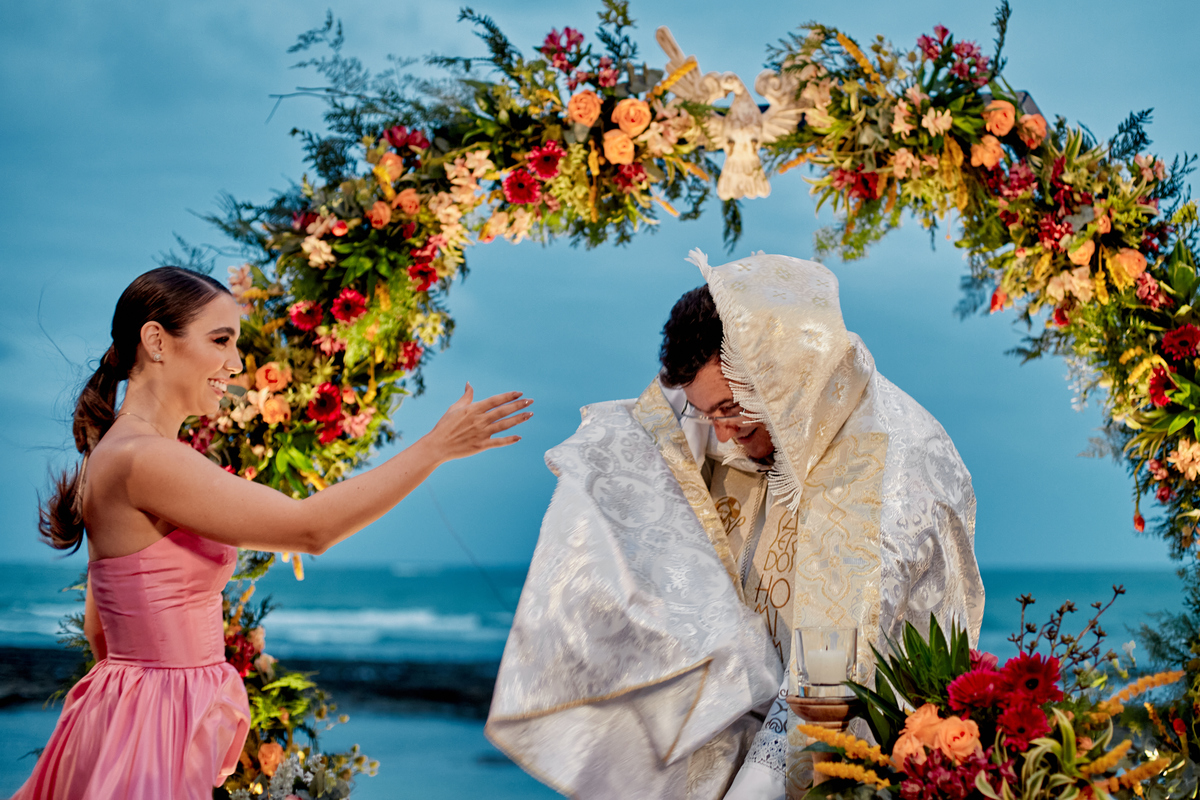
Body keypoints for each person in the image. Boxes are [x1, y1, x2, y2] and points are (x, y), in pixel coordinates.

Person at [13, 266, 533, 800]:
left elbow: (103, 629)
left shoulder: (118, 453)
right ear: (155, 341)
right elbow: (310, 529)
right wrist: (435, 448)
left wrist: (149, 700)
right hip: (153, 719)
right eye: (221, 340)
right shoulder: (145, 458)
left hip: (137, 710)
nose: (235, 364)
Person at [486, 250, 983, 799]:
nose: (722, 435)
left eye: (730, 408)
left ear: (781, 377)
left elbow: (832, 672)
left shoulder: (891, 474)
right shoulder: (771, 422)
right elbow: (653, 439)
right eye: (709, 414)